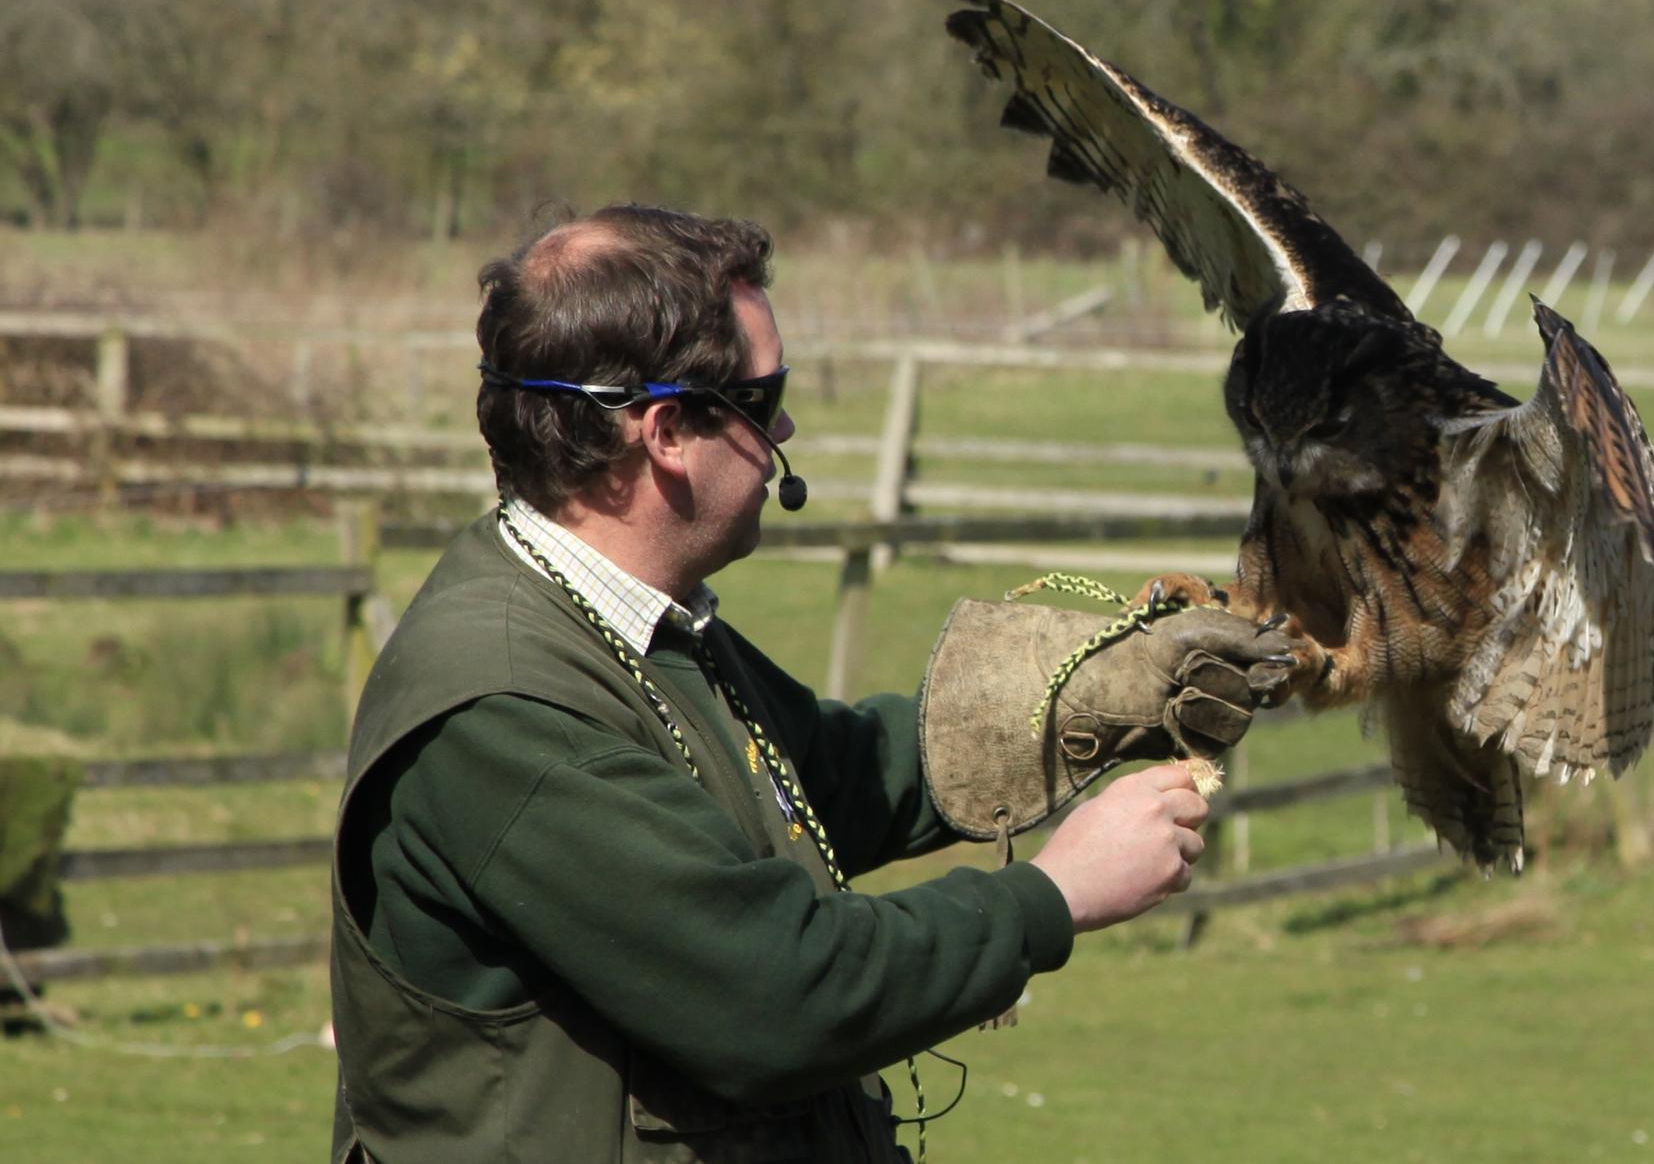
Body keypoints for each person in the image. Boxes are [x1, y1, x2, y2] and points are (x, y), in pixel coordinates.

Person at [328, 204, 1290, 1163]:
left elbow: (823, 776)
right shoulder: (507, 708)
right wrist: (1054, 892)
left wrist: (1090, 695)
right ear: (665, 431)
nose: (785, 422)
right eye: (764, 395)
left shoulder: (635, 622)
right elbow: (772, 993)